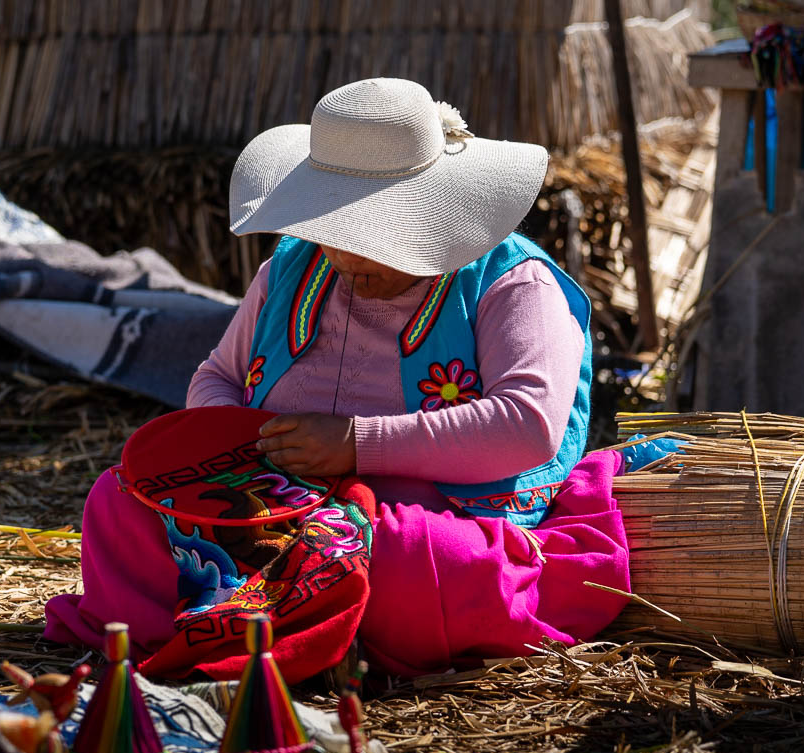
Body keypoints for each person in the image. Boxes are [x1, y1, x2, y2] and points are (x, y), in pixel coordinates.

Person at [45, 78, 630, 676]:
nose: (346, 259)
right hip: (265, 507)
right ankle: (293, 625)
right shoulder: (289, 270)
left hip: (413, 519)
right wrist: (245, 443)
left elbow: (527, 425)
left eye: (371, 233)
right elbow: (216, 376)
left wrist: (353, 443)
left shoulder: (510, 283)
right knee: (118, 503)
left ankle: (260, 624)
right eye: (336, 230)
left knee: (424, 563)